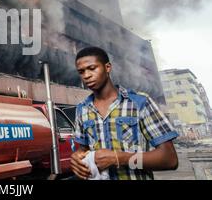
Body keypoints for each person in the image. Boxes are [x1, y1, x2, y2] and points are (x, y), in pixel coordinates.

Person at [70, 47, 179, 180]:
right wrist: (77, 157)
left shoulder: (139, 103)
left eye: (92, 68)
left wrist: (119, 158)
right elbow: (84, 149)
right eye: (81, 72)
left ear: (107, 67)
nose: (86, 75)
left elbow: (169, 159)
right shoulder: (82, 109)